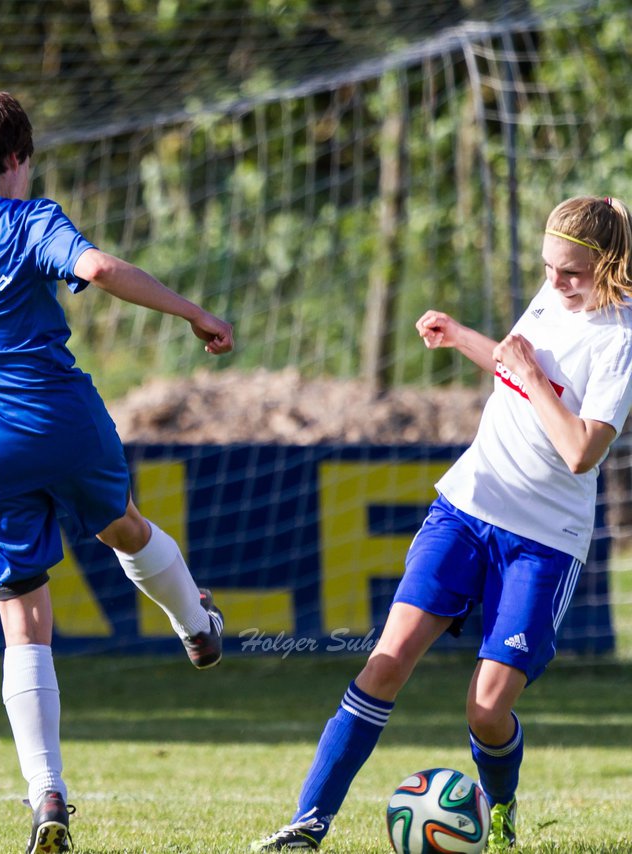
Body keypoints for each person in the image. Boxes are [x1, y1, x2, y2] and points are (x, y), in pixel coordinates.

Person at [0, 90, 234, 854]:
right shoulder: (29, 221)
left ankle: (46, 792)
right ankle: (196, 623)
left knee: (21, 618)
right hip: (60, 424)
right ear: (17, 160)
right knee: (123, 523)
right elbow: (100, 267)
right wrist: (192, 312)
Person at [252, 195, 632, 852]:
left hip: (543, 543)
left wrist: (528, 374)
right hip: (465, 510)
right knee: (386, 661)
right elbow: (514, 364)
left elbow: (580, 452)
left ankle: (502, 807)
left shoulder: (620, 340)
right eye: (548, 267)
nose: (555, 283)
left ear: (606, 266)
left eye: (571, 273)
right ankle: (308, 824)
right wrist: (461, 337)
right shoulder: (552, 297)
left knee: (486, 709)